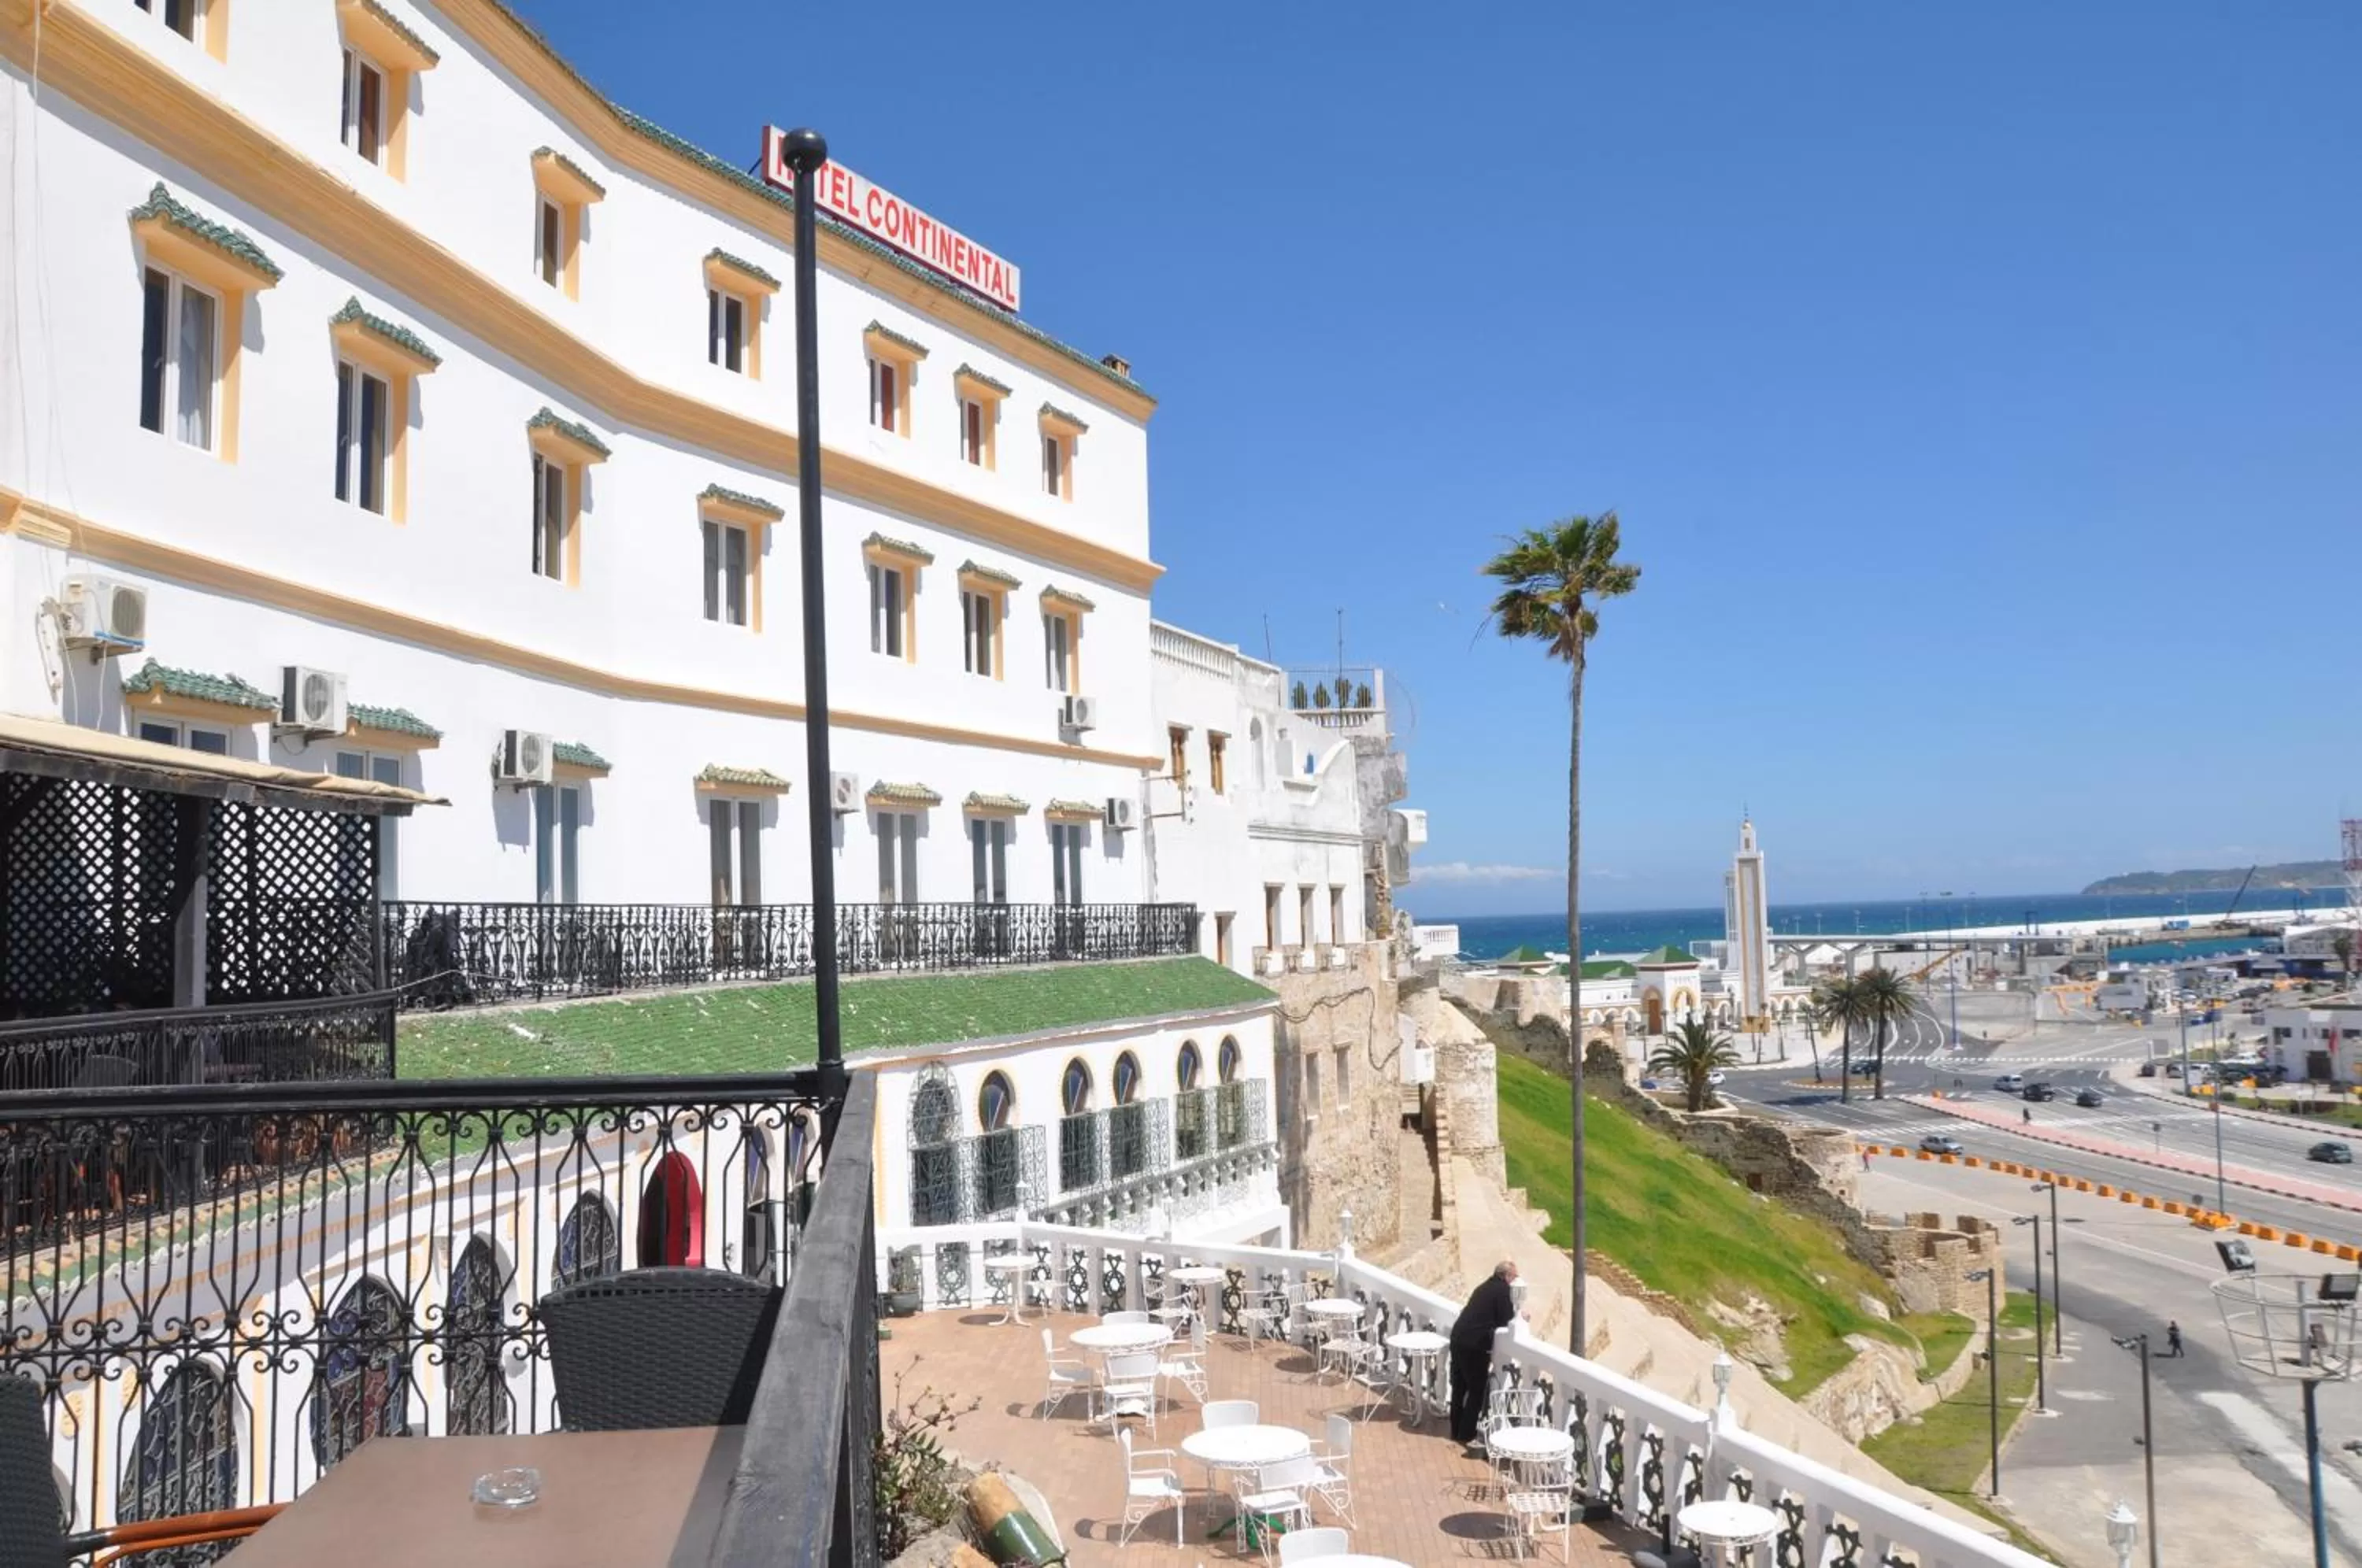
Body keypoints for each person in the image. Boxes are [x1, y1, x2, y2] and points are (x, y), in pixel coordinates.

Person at [1449, 1259, 1521, 1445]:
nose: (1515, 1281)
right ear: (1506, 1276)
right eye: (1514, 1277)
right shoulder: (1504, 1291)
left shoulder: (1483, 1287)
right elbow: (1506, 1321)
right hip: (1474, 1345)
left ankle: (1455, 1429)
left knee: (1459, 1387)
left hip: (1458, 1338)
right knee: (1477, 1390)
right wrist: (1521, 1317)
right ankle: (1466, 1434)